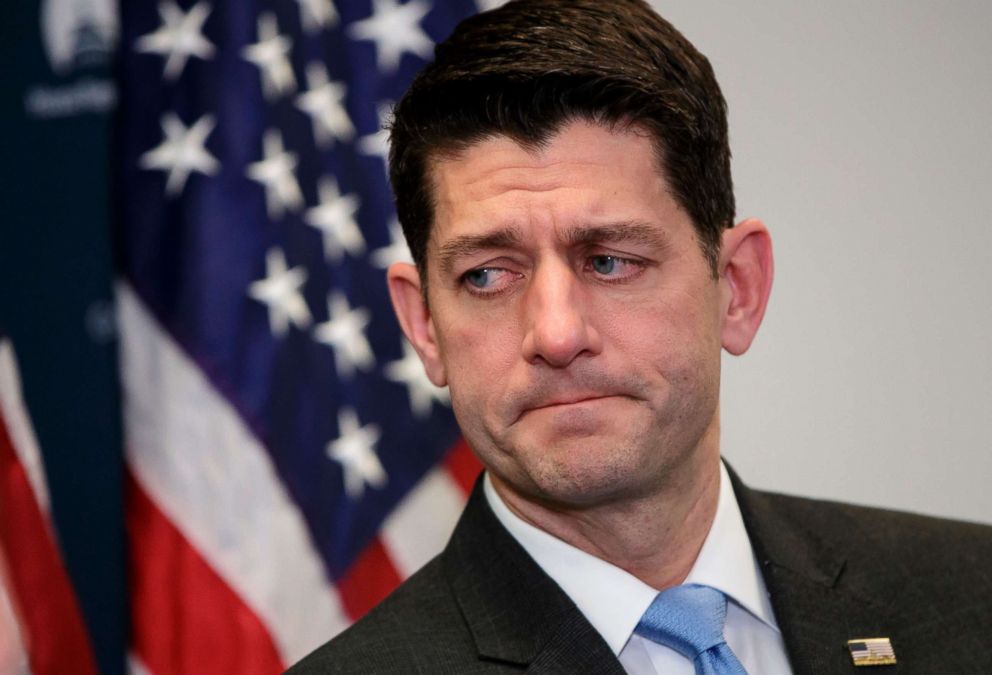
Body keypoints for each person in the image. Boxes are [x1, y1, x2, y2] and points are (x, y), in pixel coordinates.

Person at [289, 1, 992, 673]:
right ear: (425, 327)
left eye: (609, 260)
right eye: (486, 276)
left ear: (738, 288)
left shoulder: (971, 599)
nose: (557, 334)